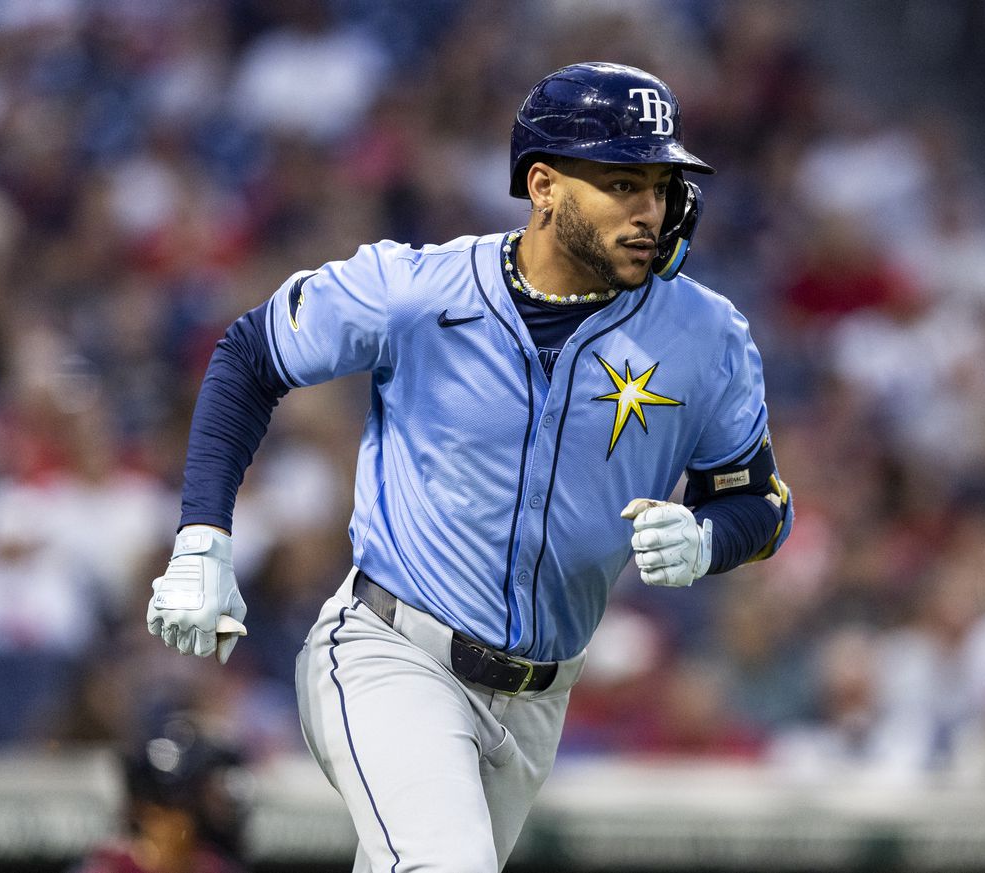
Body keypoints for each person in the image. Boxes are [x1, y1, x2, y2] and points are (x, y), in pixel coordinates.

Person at [146, 61, 792, 872]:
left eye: (661, 186)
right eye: (623, 182)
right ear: (545, 186)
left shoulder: (707, 335)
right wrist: (202, 536)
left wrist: (707, 537)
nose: (649, 210)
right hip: (392, 651)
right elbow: (250, 353)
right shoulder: (417, 289)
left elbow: (758, 503)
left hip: (538, 700)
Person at [73, 716, 250, 873]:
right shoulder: (107, 866)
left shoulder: (214, 866)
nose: (165, 827)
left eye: (182, 810)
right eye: (155, 812)